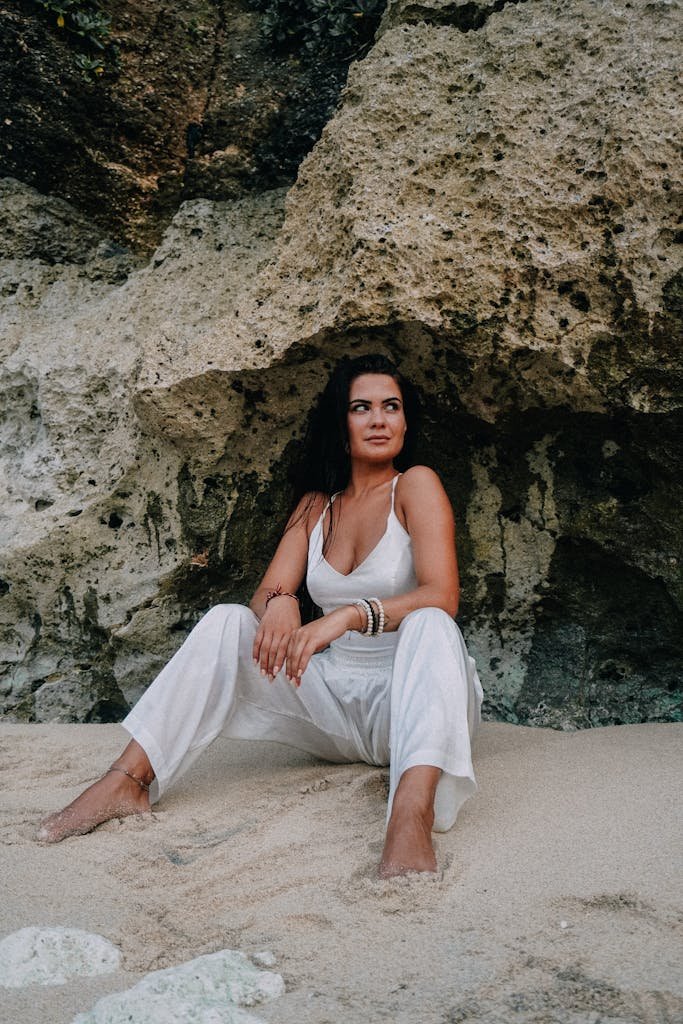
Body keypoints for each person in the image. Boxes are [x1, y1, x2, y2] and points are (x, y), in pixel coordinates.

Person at [38, 353, 483, 877]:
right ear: (341, 424)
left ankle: (410, 815)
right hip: (337, 706)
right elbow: (264, 597)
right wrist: (284, 602)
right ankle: (128, 780)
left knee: (432, 624)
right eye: (361, 408)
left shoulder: (416, 485)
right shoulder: (317, 506)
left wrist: (346, 616)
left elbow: (442, 596)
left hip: (417, 703)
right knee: (229, 620)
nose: (379, 420)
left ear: (406, 422)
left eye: (391, 407)